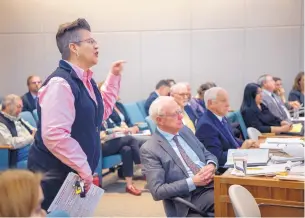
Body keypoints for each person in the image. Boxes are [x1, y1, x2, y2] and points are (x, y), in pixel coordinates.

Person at [27, 18, 124, 210]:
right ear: (74, 47)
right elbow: (54, 135)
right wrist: (83, 166)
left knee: (74, 213)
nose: (97, 46)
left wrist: (113, 77)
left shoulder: (85, 80)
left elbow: (101, 113)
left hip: (74, 173)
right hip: (54, 175)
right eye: (90, 41)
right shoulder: (60, 83)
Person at [140, 96, 218, 217]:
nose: (181, 117)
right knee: (231, 200)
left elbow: (207, 154)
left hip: (213, 183)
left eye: (180, 111)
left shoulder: (185, 131)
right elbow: (157, 191)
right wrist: (193, 182)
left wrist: (211, 165)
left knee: (244, 190)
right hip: (190, 198)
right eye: (174, 114)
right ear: (160, 120)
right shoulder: (150, 149)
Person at [195, 87, 259, 167]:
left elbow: (232, 141)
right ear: (210, 103)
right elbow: (217, 158)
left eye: (227, 100)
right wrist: (242, 150)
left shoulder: (221, 117)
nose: (228, 104)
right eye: (223, 101)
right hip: (224, 170)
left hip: (236, 161)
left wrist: (248, 144)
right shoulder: (206, 126)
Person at [101, 119, 143, 196]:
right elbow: (100, 134)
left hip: (111, 141)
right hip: (101, 146)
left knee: (127, 149)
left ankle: (129, 185)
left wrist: (119, 130)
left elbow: (113, 128)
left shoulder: (107, 116)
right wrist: (112, 131)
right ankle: (142, 166)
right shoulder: (96, 114)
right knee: (130, 139)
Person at [0, 94, 36, 165]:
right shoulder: (1, 122)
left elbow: (32, 129)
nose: (20, 110)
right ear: (8, 106)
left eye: (21, 107)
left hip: (31, 147)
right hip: (19, 153)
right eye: (18, 107)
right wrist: (30, 138)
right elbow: (10, 143)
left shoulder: (15, 116)